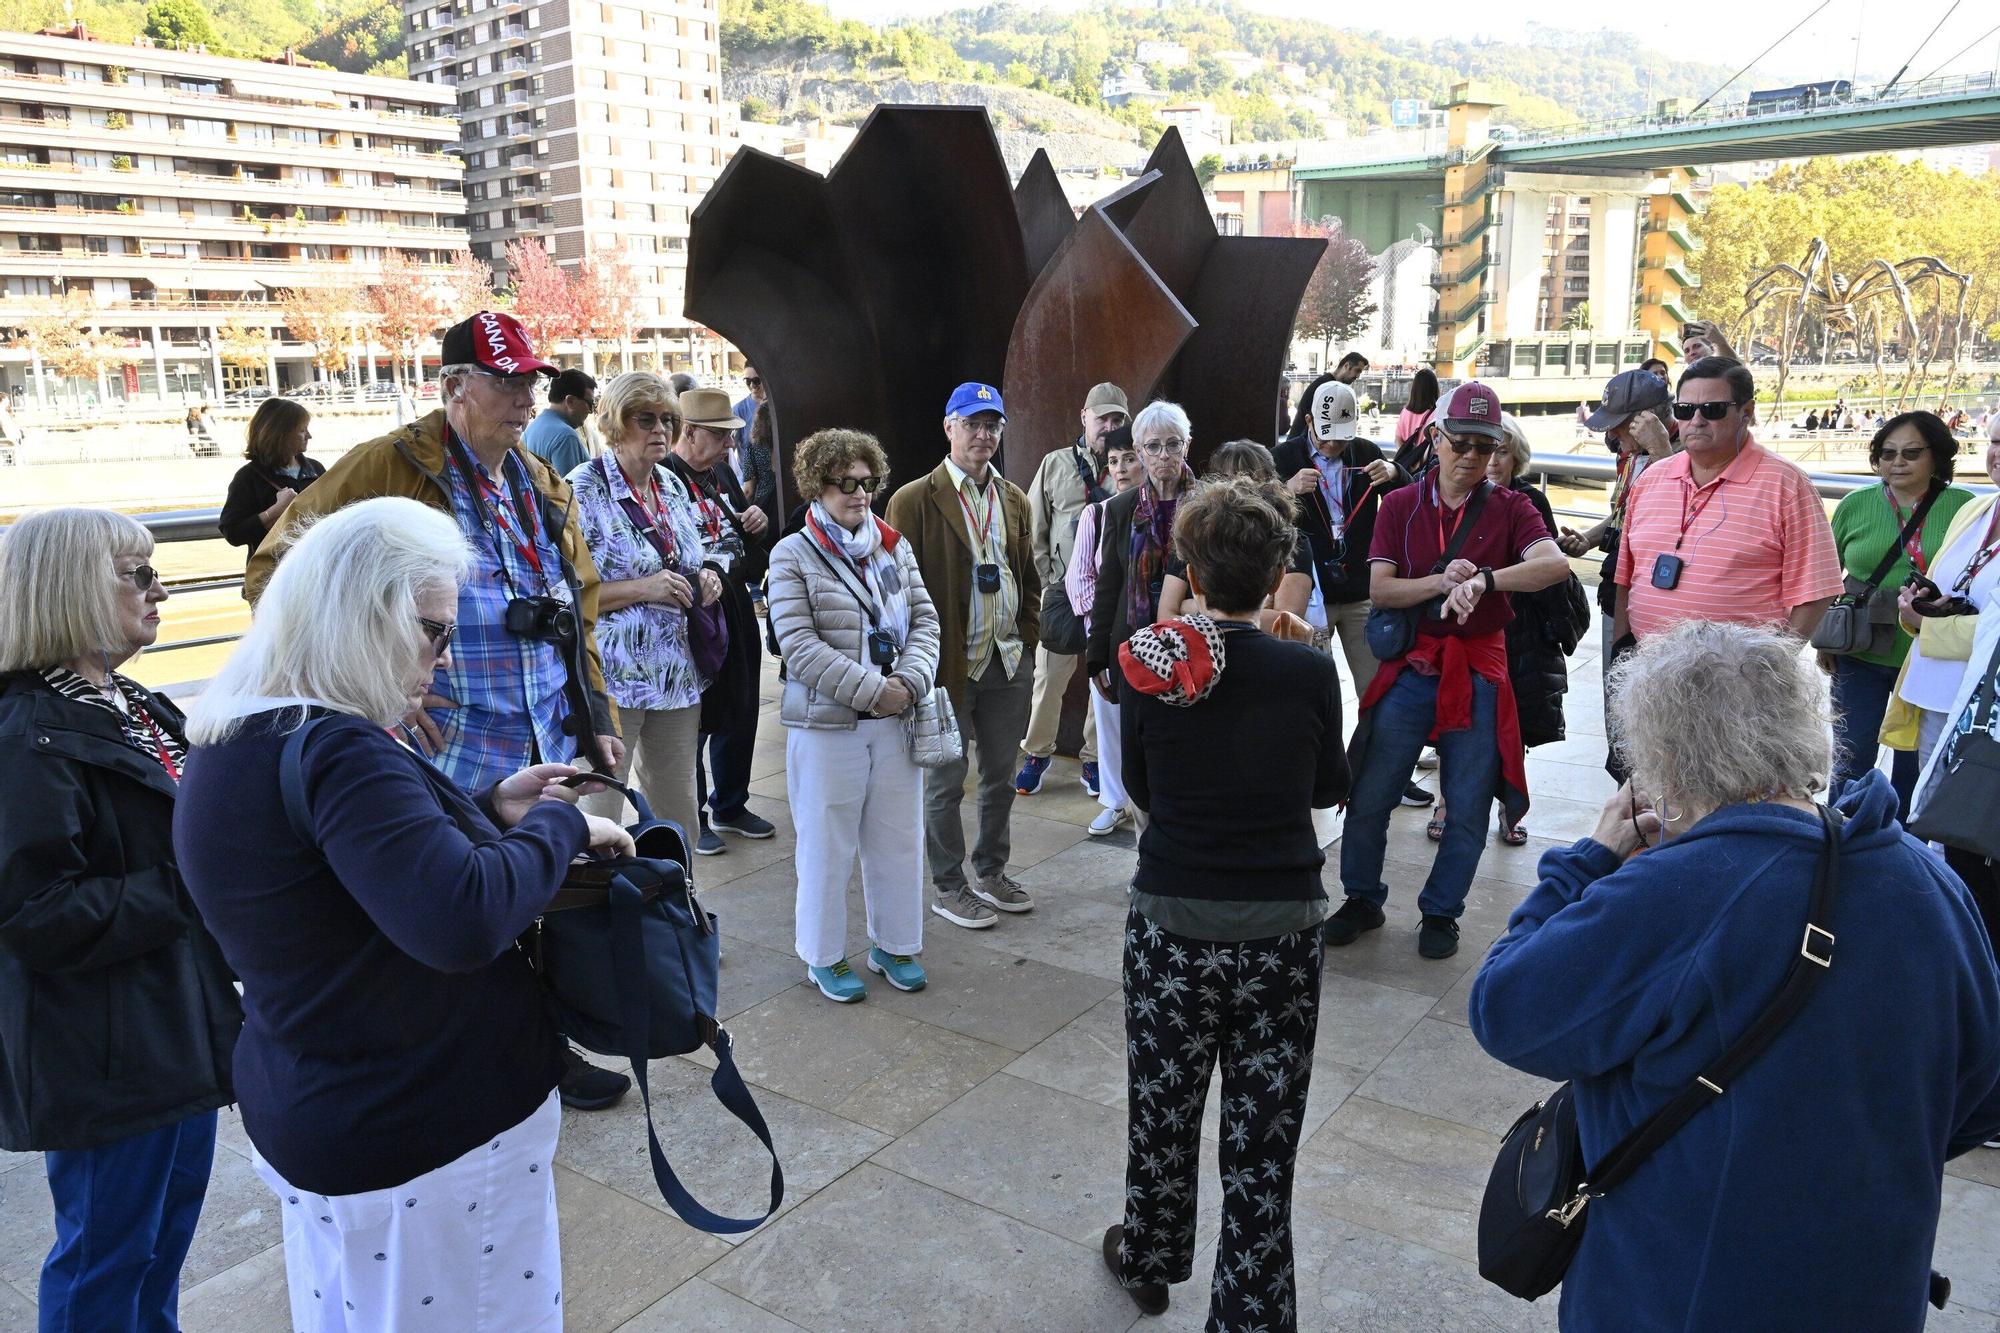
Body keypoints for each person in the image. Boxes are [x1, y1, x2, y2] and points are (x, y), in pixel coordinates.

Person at [175, 498, 634, 1333]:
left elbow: (348, 874)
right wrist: (560, 822)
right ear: (360, 615)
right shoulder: (339, 746)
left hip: (334, 1112)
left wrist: (489, 808)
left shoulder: (241, 731)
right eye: (432, 631)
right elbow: (459, 920)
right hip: (425, 1131)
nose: (441, 657)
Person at [1470, 620, 2000, 1331]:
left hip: (1681, 1293)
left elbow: (1506, 1008)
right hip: (1869, 1290)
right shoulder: (1927, 883)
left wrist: (1591, 858)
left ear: (1666, 758)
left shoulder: (1673, 892)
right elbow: (1982, 1099)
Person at [246, 310, 630, 1113]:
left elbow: (577, 604)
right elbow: (278, 573)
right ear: (454, 387)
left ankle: (540, 1041)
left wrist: (597, 709)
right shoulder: (387, 467)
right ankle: (467, 1045)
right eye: (507, 380)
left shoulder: (538, 479)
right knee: (451, 906)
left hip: (535, 728)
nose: (526, 395)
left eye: (531, 379)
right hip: (443, 739)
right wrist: (367, 691)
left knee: (536, 894)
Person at [1099, 475, 1349, 1331]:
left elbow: (1140, 785)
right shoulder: (1307, 670)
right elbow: (1329, 784)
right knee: (1262, 1142)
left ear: (1193, 573)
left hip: (1174, 920)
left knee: (1161, 1108)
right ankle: (1248, 1312)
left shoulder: (1152, 666)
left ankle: (1150, 1254)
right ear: (1279, 568)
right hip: (1282, 930)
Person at [0, 508, 240, 1331]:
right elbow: (35, 913)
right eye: (136, 574)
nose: (159, 588)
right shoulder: (25, 731)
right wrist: (197, 881)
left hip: (173, 1025)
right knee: (105, 1257)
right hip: (106, 1051)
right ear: (68, 587)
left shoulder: (124, 698)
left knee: (158, 1246)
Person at [1329, 382, 1571, 960]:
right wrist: (1443, 582)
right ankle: (1362, 897)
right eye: (1459, 443)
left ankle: (1442, 911)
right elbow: (1381, 590)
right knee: (1370, 794)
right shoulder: (1399, 505)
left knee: (1467, 803)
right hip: (1413, 666)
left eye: (1484, 448)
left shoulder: (1511, 507)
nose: (1470, 457)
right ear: (1435, 440)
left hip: (1479, 666)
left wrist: (1485, 579)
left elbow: (1554, 565)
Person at [768, 429, 942, 1002]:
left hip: (896, 722)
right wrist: (875, 692)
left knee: (898, 839)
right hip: (828, 727)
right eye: (847, 483)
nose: (860, 494)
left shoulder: (894, 545)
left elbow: (924, 620)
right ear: (817, 486)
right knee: (826, 844)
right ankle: (823, 956)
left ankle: (894, 944)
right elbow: (798, 644)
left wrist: (910, 682)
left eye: (868, 483)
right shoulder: (791, 554)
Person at [885, 381, 1041, 929]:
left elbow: (1027, 574)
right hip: (947, 667)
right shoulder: (912, 500)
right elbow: (896, 590)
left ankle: (991, 871)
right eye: (972, 423)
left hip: (1005, 660)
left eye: (993, 424)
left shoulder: (1015, 498)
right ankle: (948, 886)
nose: (984, 434)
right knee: (945, 781)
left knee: (1002, 774)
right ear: (949, 427)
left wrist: (1027, 637)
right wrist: (913, 664)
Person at [566, 372, 723, 840]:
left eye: (668, 420)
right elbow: (563, 595)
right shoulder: (582, 489)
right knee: (599, 815)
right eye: (645, 419)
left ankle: (678, 902)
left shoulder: (671, 486)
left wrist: (707, 578)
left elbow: (691, 558)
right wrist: (644, 588)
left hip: (676, 677)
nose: (660, 430)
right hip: (610, 682)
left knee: (679, 814)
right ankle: (598, 909)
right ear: (616, 423)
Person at [1612, 357, 1844, 651]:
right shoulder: (1650, 480)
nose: (1696, 420)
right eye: (1684, 410)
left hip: (1739, 681)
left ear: (1747, 412)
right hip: (1647, 670)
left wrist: (1773, 667)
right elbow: (1626, 578)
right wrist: (1621, 650)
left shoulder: (1787, 485)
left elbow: (1817, 590)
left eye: (1713, 409)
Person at [1428, 415, 1585, 846]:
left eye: (1498, 450)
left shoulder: (1528, 501)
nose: (1488, 459)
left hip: (1520, 628)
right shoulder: (1450, 498)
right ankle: (1445, 800)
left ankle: (1508, 806)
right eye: (1477, 448)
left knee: (1514, 722)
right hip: (1464, 624)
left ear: (1516, 456)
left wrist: (1493, 579)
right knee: (1454, 712)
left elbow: (1548, 568)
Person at [1825, 412, 1974, 815]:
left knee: (1915, 762)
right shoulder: (1856, 504)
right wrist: (1823, 639)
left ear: (1936, 456)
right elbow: (1824, 574)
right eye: (1887, 454)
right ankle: (1841, 839)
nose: (1898, 462)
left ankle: (1901, 849)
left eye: (1911, 453)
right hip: (1861, 651)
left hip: (1929, 654)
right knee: (1850, 756)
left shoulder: (1965, 508)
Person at [666, 387, 775, 857]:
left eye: (731, 435)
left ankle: (731, 802)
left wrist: (757, 522)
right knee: (695, 715)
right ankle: (695, 814)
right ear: (689, 433)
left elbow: (742, 535)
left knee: (741, 704)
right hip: (692, 612)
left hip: (733, 602)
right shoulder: (665, 478)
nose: (731, 444)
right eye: (720, 435)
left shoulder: (722, 473)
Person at [1271, 377, 1413, 709]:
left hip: (1360, 590)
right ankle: (1323, 758)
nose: (1333, 445)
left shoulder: (1367, 453)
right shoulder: (1282, 458)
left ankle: (1373, 757)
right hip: (1308, 593)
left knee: (1377, 689)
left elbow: (1406, 505)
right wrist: (1286, 490)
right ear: (1308, 421)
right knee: (1313, 693)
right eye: (1326, 436)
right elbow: (1257, 513)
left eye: (1341, 437)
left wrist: (1396, 473)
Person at [1017, 381, 1128, 800]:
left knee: (1105, 680)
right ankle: (1037, 752)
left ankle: (1094, 759)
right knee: (1048, 677)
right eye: (1103, 418)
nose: (1110, 426)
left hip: (1111, 595)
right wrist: (1048, 580)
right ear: (1085, 416)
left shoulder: (1129, 464)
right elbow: (1033, 526)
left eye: (1118, 418)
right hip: (1063, 592)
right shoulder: (1055, 463)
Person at [1884, 415, 2000, 773]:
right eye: (1995, 442)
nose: (1998, 454)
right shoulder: (1976, 509)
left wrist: (1928, 626)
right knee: (1931, 815)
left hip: (1986, 712)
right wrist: (1919, 608)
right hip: (1935, 695)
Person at [1087, 401, 1196, 741]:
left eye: (1173, 444)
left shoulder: (1207, 505)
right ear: (1139, 451)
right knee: (1139, 744)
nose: (1164, 455)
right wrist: (1095, 657)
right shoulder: (1121, 508)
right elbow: (1109, 585)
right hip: (1133, 644)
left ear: (1187, 445)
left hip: (1191, 645)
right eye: (1153, 446)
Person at [1064, 427, 1144, 835]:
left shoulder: (1166, 509)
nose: (1122, 468)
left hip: (1153, 635)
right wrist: (1104, 628)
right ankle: (1114, 798)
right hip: (1109, 635)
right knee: (1108, 721)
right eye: (1113, 461)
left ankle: (1148, 800)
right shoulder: (1098, 513)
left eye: (1129, 457)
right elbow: (1080, 581)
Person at [220, 397, 325, 579]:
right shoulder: (248, 477)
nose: (309, 436)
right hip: (272, 579)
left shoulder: (316, 469)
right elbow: (233, 532)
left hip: (314, 573)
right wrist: (276, 510)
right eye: (302, 430)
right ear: (280, 434)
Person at [521, 368, 598, 478]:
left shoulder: (534, 426)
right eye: (590, 404)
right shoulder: (566, 436)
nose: (590, 411)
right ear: (570, 401)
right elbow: (573, 490)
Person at [1394, 367, 1441, 475]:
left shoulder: (1405, 412)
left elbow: (1397, 439)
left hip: (1405, 468)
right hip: (1424, 470)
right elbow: (1433, 445)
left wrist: (1409, 458)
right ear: (1434, 388)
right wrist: (1418, 464)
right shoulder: (1437, 414)